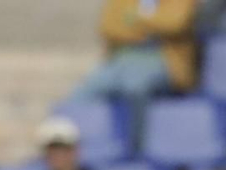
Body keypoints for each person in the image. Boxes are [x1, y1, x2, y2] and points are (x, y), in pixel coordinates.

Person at [70, 0, 199, 120]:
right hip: (123, 57)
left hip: (163, 59)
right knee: (81, 97)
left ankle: (136, 143)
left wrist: (136, 19)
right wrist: (150, 27)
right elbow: (108, 26)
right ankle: (64, 141)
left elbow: (175, 23)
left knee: (135, 87)